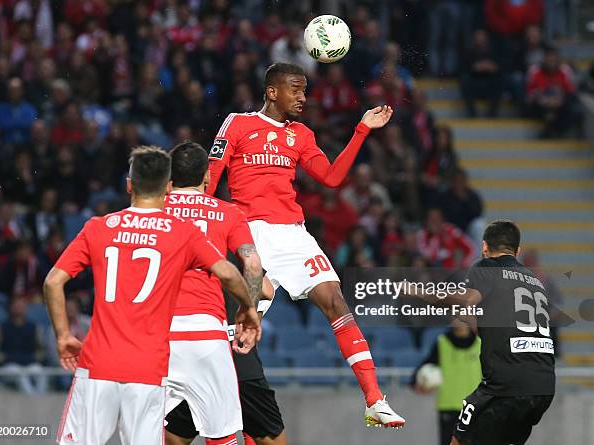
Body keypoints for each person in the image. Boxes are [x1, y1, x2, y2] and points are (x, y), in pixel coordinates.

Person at [206, 62, 404, 428]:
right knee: (245, 332)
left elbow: (330, 178)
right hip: (250, 232)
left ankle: (375, 398)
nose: (303, 97)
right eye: (295, 90)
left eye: (305, 90)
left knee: (335, 300)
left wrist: (361, 130)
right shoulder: (238, 124)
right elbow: (209, 181)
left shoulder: (302, 134)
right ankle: (233, 419)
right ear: (272, 92)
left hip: (294, 235)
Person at [43, 146, 261, 445]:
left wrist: (64, 336)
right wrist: (248, 309)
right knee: (220, 435)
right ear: (167, 186)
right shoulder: (181, 231)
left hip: (104, 357)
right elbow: (233, 272)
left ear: (129, 185)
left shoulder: (99, 226)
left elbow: (53, 281)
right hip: (157, 359)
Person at [162, 142, 283, 445]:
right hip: (212, 339)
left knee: (168, 436)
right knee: (225, 433)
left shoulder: (152, 212)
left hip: (158, 337)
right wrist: (248, 310)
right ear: (206, 176)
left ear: (168, 178)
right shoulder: (226, 214)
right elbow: (256, 272)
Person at [407, 220, 555, 445]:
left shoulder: (486, 267)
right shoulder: (534, 281)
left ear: (485, 247)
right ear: (518, 250)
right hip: (543, 386)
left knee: (458, 441)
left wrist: (423, 293)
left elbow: (467, 301)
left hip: (505, 384)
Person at [411, 320, 482, 445]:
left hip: (475, 407)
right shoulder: (442, 342)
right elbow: (425, 366)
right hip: (448, 405)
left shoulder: (481, 342)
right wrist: (417, 383)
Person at [0, 297, 48, 394]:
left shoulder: (34, 327)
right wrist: (3, 358)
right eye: (16, 305)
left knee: (42, 373)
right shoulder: (0, 327)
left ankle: (41, 397)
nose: (19, 308)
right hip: (9, 365)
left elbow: (42, 349)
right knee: (20, 374)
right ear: (10, 308)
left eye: (22, 305)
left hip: (29, 363)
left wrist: (35, 357)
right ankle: (32, 399)